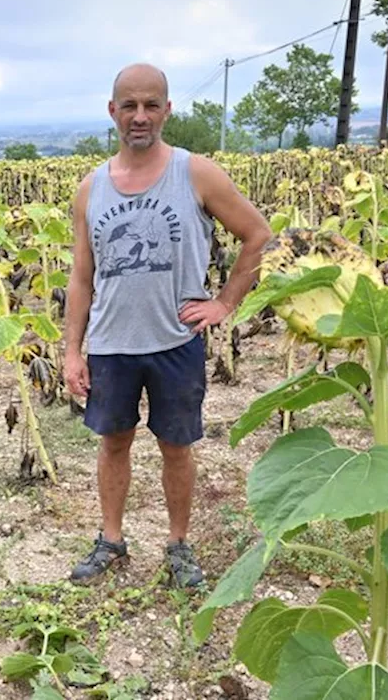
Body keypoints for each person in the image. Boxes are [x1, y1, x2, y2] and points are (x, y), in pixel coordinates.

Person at [63, 63, 272, 588]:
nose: (140, 116)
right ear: (112, 111)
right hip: (111, 342)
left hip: (175, 340)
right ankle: (111, 539)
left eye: (151, 105)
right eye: (129, 106)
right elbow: (82, 279)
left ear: (167, 110)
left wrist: (225, 302)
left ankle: (179, 545)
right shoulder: (91, 190)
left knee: (176, 446)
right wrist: (72, 350)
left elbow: (258, 235)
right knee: (113, 442)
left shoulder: (195, 173)